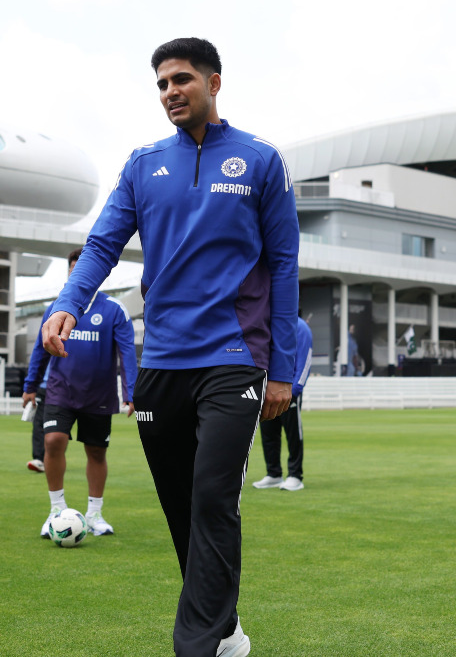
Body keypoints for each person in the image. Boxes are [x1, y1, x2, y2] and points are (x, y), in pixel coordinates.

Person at [42, 37, 297, 657]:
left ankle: (197, 646)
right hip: (162, 362)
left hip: (234, 356)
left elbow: (285, 263)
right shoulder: (143, 162)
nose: (170, 92)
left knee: (214, 494)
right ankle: (228, 632)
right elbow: (102, 243)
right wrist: (67, 304)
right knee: (184, 508)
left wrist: (284, 370)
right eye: (161, 84)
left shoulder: (261, 160)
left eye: (181, 79)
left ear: (214, 82)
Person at [23, 247, 137, 538]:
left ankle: (95, 514)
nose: (80, 274)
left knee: (97, 451)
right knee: (53, 441)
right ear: (70, 273)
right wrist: (30, 387)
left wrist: (131, 392)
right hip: (61, 390)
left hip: (99, 395)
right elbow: (40, 350)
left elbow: (127, 354)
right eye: (74, 269)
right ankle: (55, 510)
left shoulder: (114, 310)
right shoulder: (56, 309)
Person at [253, 316, 312, 491]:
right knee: (268, 433)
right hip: (267, 389)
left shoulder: (300, 327)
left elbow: (305, 359)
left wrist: (295, 389)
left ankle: (295, 475)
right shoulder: (268, 323)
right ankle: (274, 473)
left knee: (293, 434)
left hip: (289, 390)